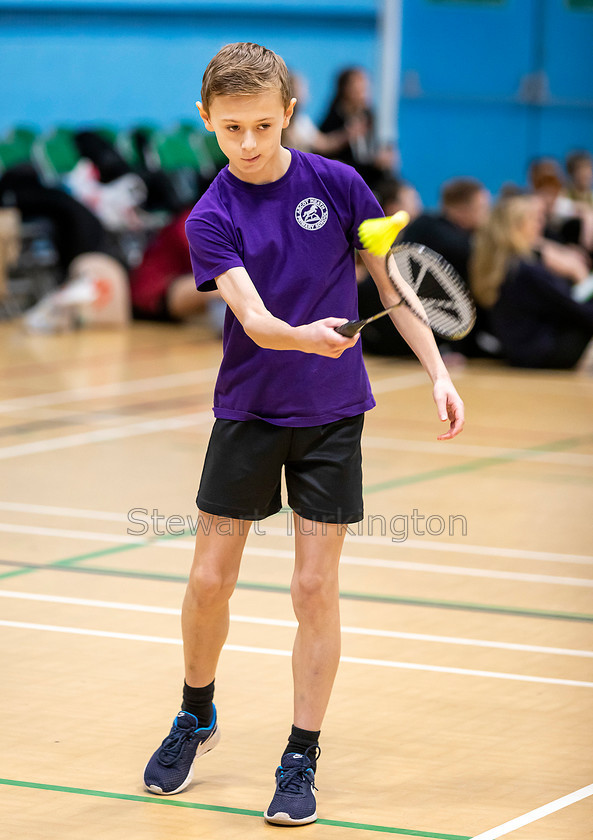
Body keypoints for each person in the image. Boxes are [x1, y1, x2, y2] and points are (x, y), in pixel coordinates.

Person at [142, 42, 464, 826]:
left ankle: (299, 756)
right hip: (248, 413)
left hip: (331, 419)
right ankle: (196, 711)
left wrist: (438, 373)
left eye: (260, 125)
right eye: (229, 130)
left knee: (314, 588)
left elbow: (394, 289)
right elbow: (251, 319)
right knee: (208, 582)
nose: (247, 145)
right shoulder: (210, 215)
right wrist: (304, 334)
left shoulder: (340, 184)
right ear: (205, 121)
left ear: (287, 112)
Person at [470, 195, 593, 369]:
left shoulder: (501, 264)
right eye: (534, 219)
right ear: (517, 226)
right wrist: (580, 274)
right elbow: (576, 309)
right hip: (544, 354)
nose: (540, 224)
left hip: (517, 352)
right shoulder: (525, 269)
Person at [318, 66, 396, 190]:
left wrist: (385, 156)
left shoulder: (369, 115)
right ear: (345, 89)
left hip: (373, 178)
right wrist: (345, 136)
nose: (363, 92)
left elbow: (379, 146)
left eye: (365, 87)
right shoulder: (333, 119)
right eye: (358, 87)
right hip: (348, 181)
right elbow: (323, 155)